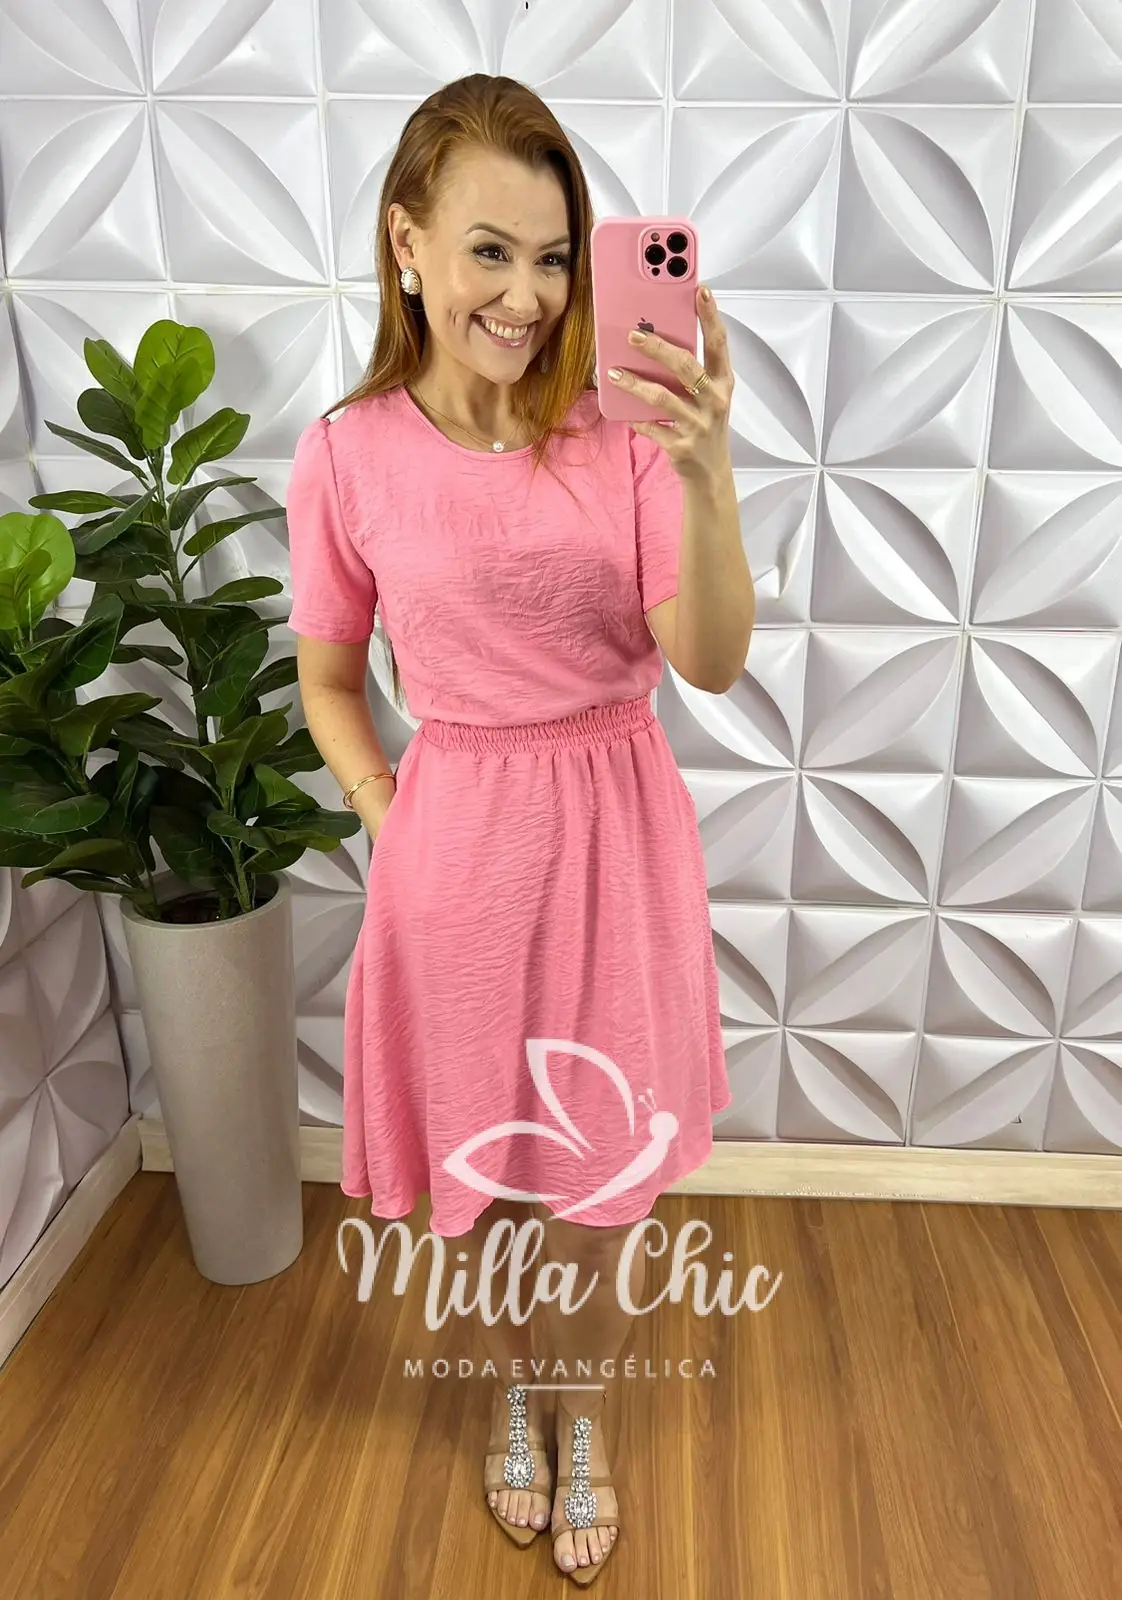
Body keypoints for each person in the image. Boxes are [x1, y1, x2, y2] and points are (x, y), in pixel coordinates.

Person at [286, 72, 754, 1585]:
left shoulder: (628, 432)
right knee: (488, 1174)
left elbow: (709, 662)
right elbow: (330, 680)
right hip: (456, 847)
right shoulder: (347, 453)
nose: (528, 294)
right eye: (489, 249)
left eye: (554, 256)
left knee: (602, 1182)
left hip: (618, 834)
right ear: (406, 244)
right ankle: (508, 1390)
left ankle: (585, 1406)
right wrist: (390, 811)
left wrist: (705, 468)